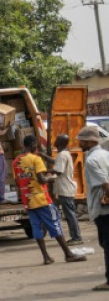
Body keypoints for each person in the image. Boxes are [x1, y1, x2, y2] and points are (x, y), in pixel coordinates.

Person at [12, 135, 87, 265]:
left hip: (28, 201)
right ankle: (68, 254)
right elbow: (41, 179)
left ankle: (46, 257)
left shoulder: (16, 161)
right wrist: (50, 179)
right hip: (42, 199)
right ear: (34, 145)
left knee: (37, 228)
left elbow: (17, 181)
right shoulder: (35, 159)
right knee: (55, 225)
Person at [78, 125, 109, 291]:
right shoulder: (105, 154)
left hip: (104, 209)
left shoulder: (92, 160)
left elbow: (105, 183)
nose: (79, 144)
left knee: (107, 244)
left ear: (89, 142)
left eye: (81, 141)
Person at [51, 134, 84, 245]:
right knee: (70, 214)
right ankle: (76, 236)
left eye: (57, 139)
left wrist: (44, 172)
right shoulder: (63, 154)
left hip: (65, 189)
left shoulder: (62, 155)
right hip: (66, 188)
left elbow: (58, 171)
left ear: (60, 142)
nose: (54, 141)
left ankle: (76, 237)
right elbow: (56, 163)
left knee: (70, 214)